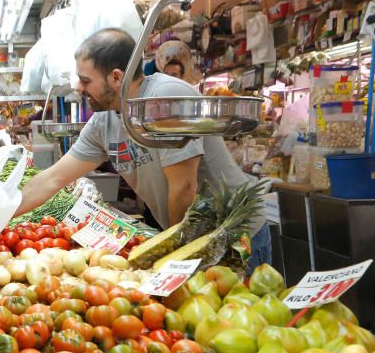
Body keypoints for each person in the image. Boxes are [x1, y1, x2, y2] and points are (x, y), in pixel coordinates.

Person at [16, 28, 271, 269]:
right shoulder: (103, 122)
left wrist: (173, 256)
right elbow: (52, 179)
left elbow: (184, 188)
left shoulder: (165, 98)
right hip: (191, 237)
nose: (79, 88)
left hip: (235, 238)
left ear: (116, 78)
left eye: (85, 80)